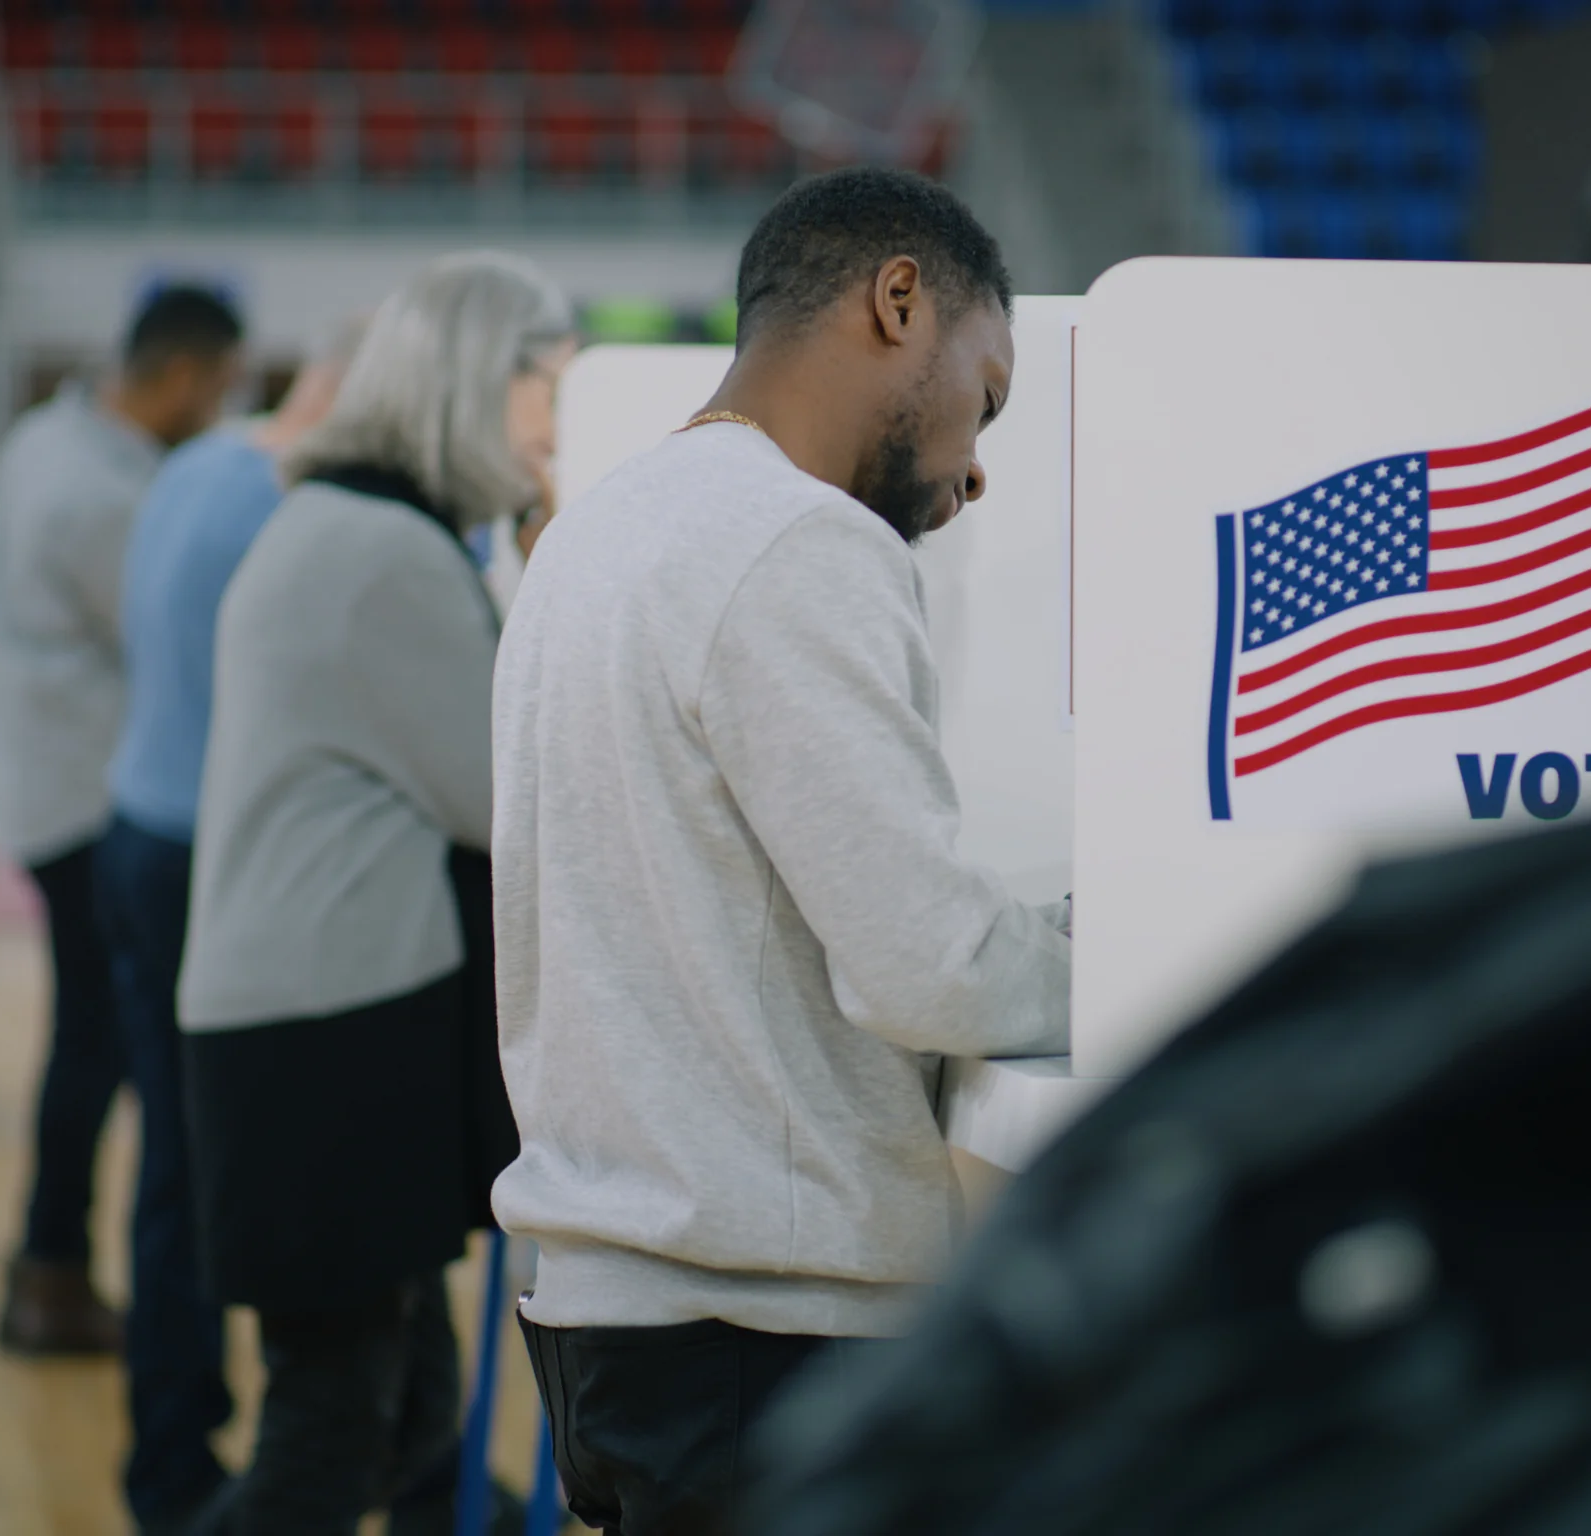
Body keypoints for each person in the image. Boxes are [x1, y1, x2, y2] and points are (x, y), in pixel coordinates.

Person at [490, 166, 1071, 1535]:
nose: (978, 460)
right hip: (757, 1328)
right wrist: (1126, 959)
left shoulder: (599, 532)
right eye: (983, 394)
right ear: (898, 300)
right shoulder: (797, 537)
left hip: (618, 1307)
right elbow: (927, 964)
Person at [176, 253, 573, 1535]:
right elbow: (506, 796)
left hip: (311, 1020)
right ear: (472, 384)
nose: (556, 431)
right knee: (329, 1436)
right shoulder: (379, 556)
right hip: (326, 1034)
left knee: (392, 1414)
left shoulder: (347, 527)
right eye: (545, 397)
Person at [95, 320, 363, 1536]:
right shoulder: (291, 505)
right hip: (212, 857)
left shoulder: (196, 465)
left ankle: (167, 1457)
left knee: (173, 1167)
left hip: (140, 830)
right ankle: (193, 1472)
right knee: (214, 1178)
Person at [0, 285, 242, 1358]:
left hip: (55, 789)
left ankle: (49, 1266)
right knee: (101, 1050)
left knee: (87, 1044)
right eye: (223, 389)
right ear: (181, 373)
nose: (223, 412)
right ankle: (53, 1272)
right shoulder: (100, 501)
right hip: (96, 802)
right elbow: (176, 637)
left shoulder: (42, 441)